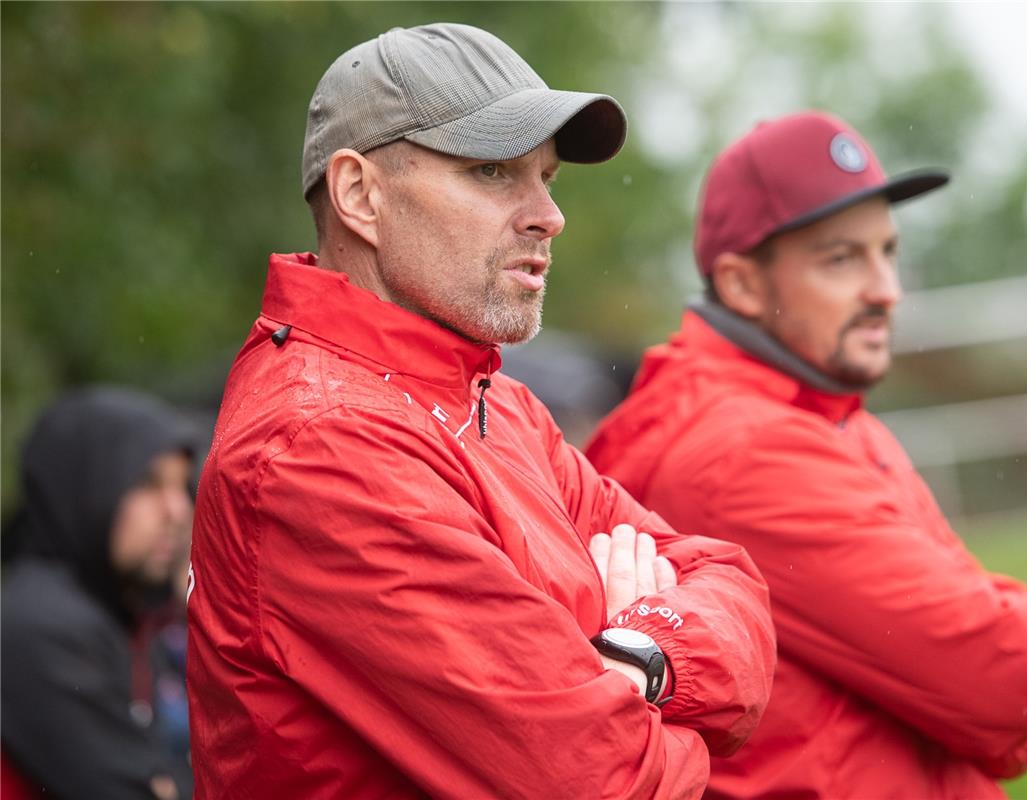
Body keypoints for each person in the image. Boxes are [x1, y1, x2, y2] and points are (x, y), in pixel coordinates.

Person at [186, 23, 775, 800]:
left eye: (548, 178)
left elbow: (732, 585)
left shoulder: (496, 401)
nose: (547, 216)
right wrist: (647, 690)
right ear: (360, 194)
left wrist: (638, 653)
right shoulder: (319, 446)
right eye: (493, 170)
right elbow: (599, 782)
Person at [586, 111, 1027, 798]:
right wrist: (1017, 617)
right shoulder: (742, 451)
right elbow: (1010, 684)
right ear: (743, 285)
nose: (886, 290)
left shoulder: (816, 407)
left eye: (888, 252)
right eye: (841, 258)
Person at [1, 386, 197, 800]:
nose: (177, 510)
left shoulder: (125, 614)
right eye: (148, 484)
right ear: (83, 485)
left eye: (182, 486)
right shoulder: (39, 626)